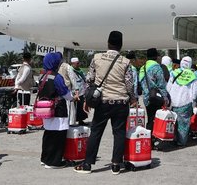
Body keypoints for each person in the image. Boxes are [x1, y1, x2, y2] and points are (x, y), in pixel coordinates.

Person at [74, 31, 136, 175]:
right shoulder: (126, 62)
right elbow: (129, 84)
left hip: (102, 102)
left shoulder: (97, 58)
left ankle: (88, 164)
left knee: (96, 132)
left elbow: (89, 80)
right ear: (121, 45)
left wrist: (86, 99)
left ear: (107, 43)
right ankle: (116, 165)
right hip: (121, 102)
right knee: (119, 133)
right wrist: (133, 99)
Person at [39, 52, 74, 169]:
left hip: (45, 109)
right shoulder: (56, 77)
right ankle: (54, 161)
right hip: (57, 109)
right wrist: (73, 97)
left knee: (48, 134)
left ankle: (45, 158)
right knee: (58, 135)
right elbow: (65, 93)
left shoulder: (43, 76)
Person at [166, 56, 197, 146]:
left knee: (174, 121)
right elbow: (195, 90)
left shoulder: (174, 73)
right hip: (185, 102)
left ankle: (173, 138)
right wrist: (193, 100)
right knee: (183, 123)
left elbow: (168, 87)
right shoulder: (192, 75)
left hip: (173, 102)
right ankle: (182, 141)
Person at [139, 48, 169, 132]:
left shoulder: (143, 68)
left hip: (146, 98)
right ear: (156, 56)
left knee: (150, 118)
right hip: (156, 97)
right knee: (156, 119)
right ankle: (152, 139)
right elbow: (161, 84)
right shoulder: (156, 67)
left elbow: (140, 82)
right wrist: (165, 99)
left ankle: (148, 138)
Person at [71, 57, 88, 125]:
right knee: (75, 108)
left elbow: (85, 78)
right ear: (72, 64)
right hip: (75, 92)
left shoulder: (80, 71)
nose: (78, 64)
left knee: (81, 108)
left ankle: (81, 121)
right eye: (77, 63)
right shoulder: (71, 71)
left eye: (78, 63)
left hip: (82, 91)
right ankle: (73, 121)